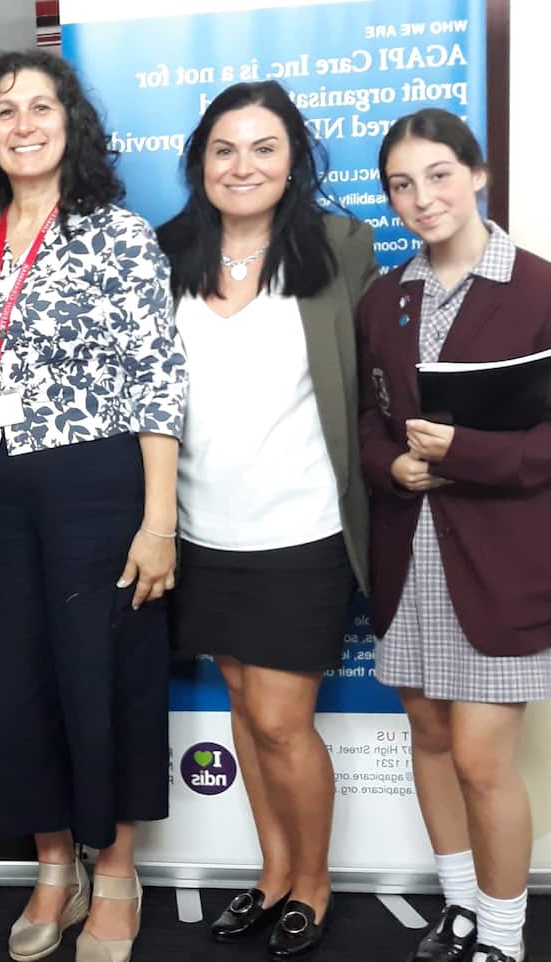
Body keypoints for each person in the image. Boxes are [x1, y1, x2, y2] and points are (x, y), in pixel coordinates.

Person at [0, 49, 187, 962]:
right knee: (19, 682)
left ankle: (115, 872)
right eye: (4, 111)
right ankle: (54, 867)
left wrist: (157, 521)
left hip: (96, 485)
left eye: (41, 106)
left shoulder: (117, 235)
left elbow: (158, 380)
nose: (23, 123)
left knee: (103, 678)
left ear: (69, 123)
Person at [156, 80, 375, 959]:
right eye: (224, 149)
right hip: (201, 530)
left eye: (264, 148)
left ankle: (313, 886)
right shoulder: (168, 253)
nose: (242, 166)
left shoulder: (338, 247)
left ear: (295, 162)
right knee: (245, 711)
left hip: (302, 532)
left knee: (285, 722)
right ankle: (272, 871)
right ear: (200, 161)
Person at [358, 109, 551, 962]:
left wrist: (469, 453)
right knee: (429, 741)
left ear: (478, 174)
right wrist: (388, 466)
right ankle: (463, 905)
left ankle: (504, 938)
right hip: (410, 555)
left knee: (480, 761)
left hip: (500, 564)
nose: (421, 196)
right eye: (402, 183)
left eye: (438, 174)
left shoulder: (541, 289)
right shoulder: (384, 295)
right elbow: (370, 415)